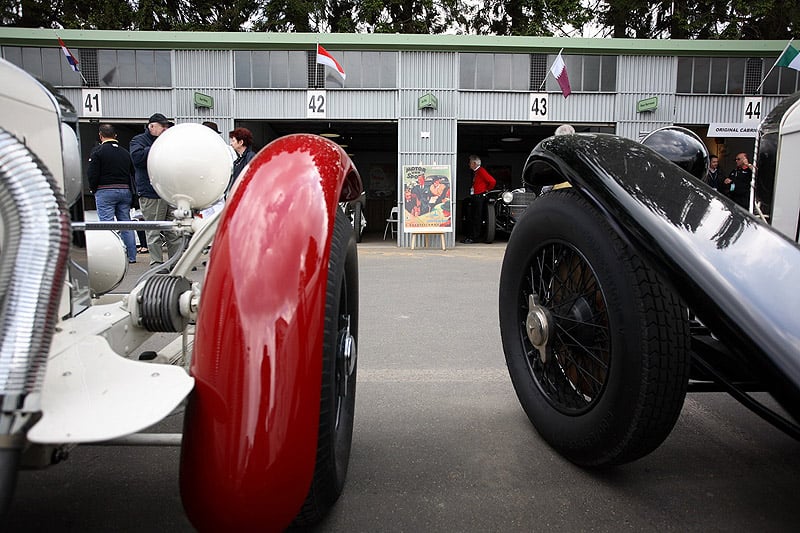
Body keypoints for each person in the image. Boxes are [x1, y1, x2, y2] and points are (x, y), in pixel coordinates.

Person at [130, 113, 183, 268]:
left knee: (174, 231)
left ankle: (176, 263)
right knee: (153, 231)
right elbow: (137, 159)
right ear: (151, 126)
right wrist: (158, 147)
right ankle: (157, 264)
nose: (165, 130)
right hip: (150, 193)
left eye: (167, 127)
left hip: (170, 192)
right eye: (163, 127)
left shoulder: (169, 142)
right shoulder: (139, 141)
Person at [87, 123, 137, 263]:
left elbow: (92, 173)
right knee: (126, 224)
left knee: (107, 225)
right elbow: (132, 173)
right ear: (115, 135)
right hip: (125, 191)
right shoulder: (125, 153)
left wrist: (93, 188)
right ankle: (131, 256)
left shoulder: (97, 152)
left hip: (105, 191)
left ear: (100, 136)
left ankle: (111, 257)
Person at [461, 155, 496, 244]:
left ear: (474, 163)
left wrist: (486, 190)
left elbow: (492, 181)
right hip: (476, 196)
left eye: (470, 162)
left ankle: (474, 237)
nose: (469, 164)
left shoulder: (481, 171)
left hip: (479, 196)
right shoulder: (477, 172)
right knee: (473, 217)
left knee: (477, 217)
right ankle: (472, 236)